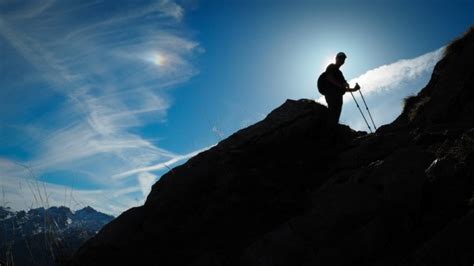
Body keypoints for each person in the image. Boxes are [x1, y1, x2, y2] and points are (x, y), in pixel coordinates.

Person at [324, 52, 360, 124]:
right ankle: (329, 129)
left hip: (338, 96)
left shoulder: (340, 73)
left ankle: (332, 129)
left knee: (335, 116)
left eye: (343, 59)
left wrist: (354, 89)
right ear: (336, 58)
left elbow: (343, 88)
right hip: (331, 93)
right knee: (333, 113)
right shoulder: (331, 66)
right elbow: (328, 77)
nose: (342, 60)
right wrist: (340, 85)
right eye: (340, 58)